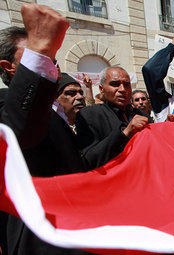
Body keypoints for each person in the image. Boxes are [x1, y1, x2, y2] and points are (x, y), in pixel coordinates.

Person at [0, 3, 93, 255]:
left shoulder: (56, 111)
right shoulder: (4, 103)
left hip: (73, 228)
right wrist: (39, 48)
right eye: (42, 59)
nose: (52, 66)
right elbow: (20, 133)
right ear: (8, 67)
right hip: (39, 239)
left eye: (53, 59)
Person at [75, 66, 153, 169]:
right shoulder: (89, 115)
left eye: (127, 85)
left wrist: (168, 126)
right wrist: (124, 133)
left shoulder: (143, 116)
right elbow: (89, 160)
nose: (122, 89)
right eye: (115, 84)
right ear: (101, 89)